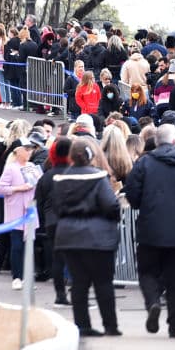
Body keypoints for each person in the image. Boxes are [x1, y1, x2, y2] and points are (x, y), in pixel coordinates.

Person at [124, 123, 175, 338]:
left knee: (148, 272)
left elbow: (132, 194)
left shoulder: (144, 164)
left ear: (156, 142)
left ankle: (153, 302)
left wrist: (144, 205)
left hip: (150, 229)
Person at [51, 139, 122, 337]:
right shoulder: (99, 178)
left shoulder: (60, 179)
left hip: (69, 235)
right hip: (99, 237)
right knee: (103, 283)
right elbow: (110, 205)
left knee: (79, 283)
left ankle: (82, 325)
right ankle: (110, 325)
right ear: (91, 156)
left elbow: (57, 207)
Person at [0, 137, 43, 290]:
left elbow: (39, 185)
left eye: (30, 149)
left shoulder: (32, 166)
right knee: (17, 246)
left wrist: (37, 184)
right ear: (18, 151)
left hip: (29, 212)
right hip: (15, 213)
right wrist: (18, 188)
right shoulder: (10, 168)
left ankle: (26, 277)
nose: (29, 152)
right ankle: (17, 277)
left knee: (29, 246)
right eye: (26, 149)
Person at [34, 137, 73, 305]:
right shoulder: (75, 174)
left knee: (58, 259)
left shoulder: (46, 176)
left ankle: (60, 295)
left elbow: (39, 202)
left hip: (52, 221)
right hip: (72, 220)